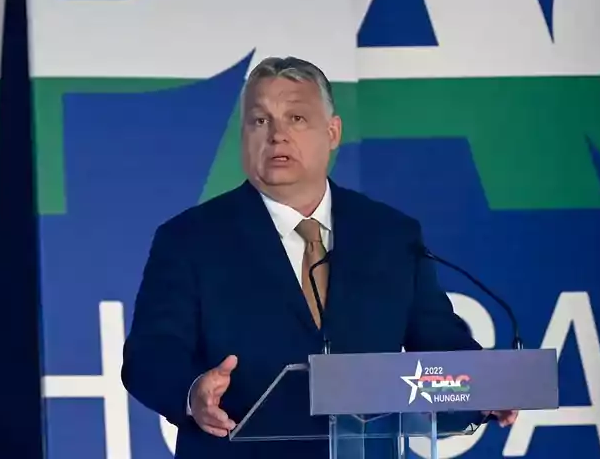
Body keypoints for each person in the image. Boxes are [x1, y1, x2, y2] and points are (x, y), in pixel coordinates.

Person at [122, 56, 516, 458]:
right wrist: (192, 394)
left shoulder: (390, 235)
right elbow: (150, 355)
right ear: (243, 136)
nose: (277, 135)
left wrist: (484, 386)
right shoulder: (190, 239)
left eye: (296, 118)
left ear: (332, 132)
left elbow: (438, 344)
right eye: (259, 121)